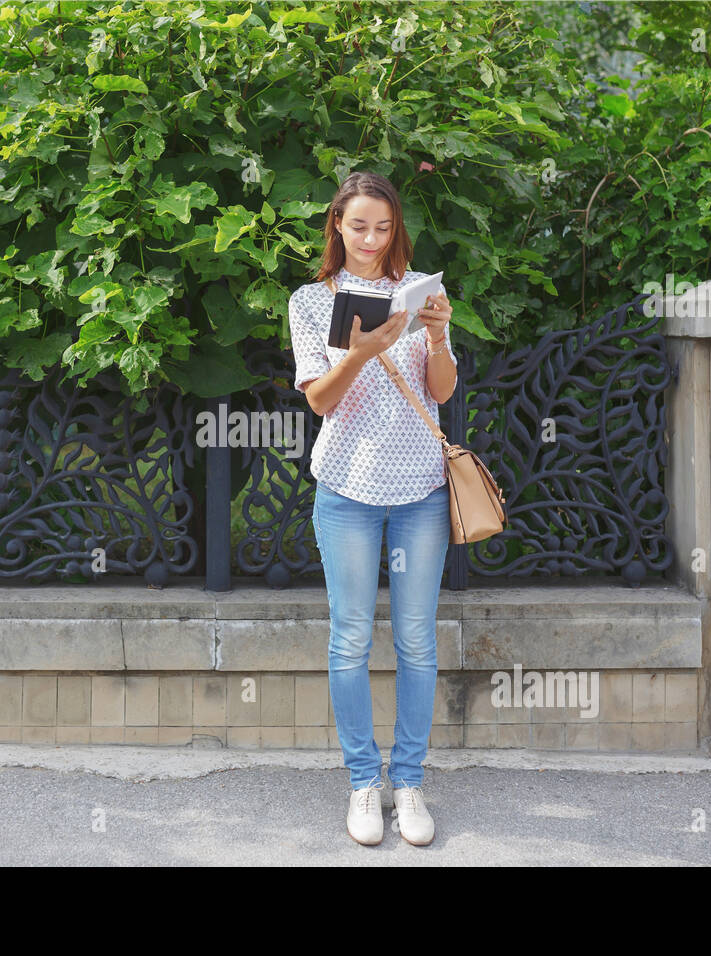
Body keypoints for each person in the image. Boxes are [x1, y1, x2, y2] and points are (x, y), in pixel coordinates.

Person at [288, 170, 457, 847]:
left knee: (416, 639)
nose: (371, 239)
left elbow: (440, 390)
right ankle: (364, 782)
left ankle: (408, 782)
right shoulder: (310, 300)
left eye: (383, 228)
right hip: (347, 491)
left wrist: (439, 338)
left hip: (420, 492)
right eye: (359, 226)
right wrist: (360, 355)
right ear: (337, 225)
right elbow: (321, 401)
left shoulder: (419, 293)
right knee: (351, 637)